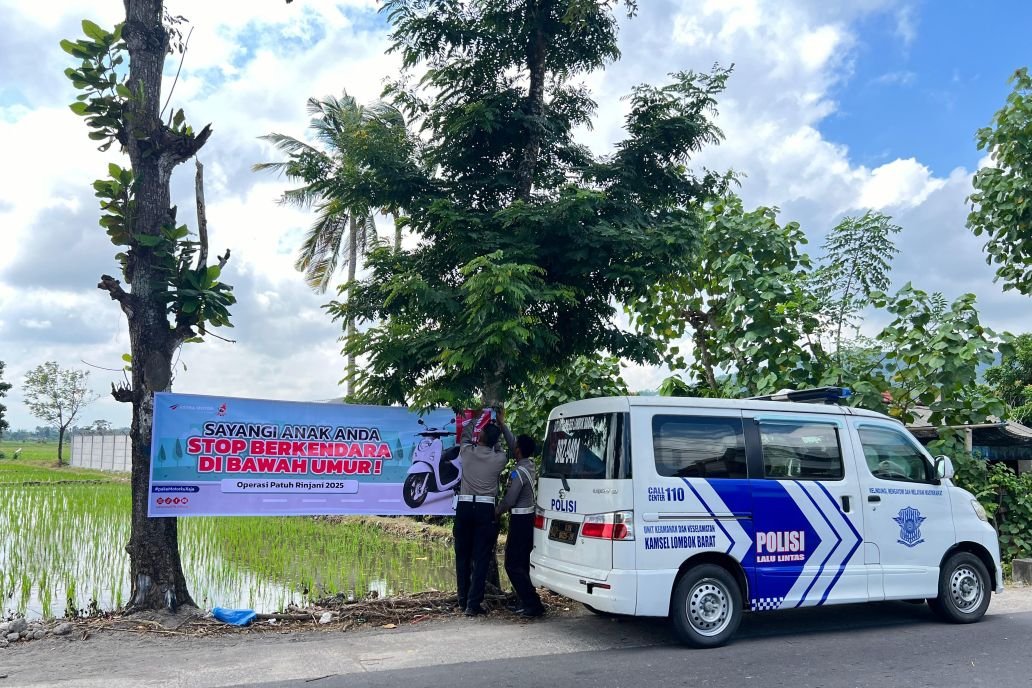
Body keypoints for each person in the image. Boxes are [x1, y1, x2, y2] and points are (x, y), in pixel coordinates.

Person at [454, 409, 512, 616]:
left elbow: (466, 434)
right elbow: (509, 446)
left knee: (462, 556)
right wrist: (501, 426)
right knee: (480, 558)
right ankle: (473, 605)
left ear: (480, 437)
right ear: (495, 443)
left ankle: (462, 600)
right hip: (486, 510)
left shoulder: (467, 452)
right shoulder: (499, 459)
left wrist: (477, 417)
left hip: (464, 507)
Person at [496, 434, 544, 618]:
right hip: (529, 518)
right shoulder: (530, 465)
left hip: (520, 520)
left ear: (518, 450)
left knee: (512, 564)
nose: (512, 447)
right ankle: (528, 602)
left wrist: (496, 512)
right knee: (522, 563)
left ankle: (532, 604)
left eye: (515, 446)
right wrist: (503, 425)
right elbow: (514, 443)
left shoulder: (518, 473)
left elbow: (509, 500)